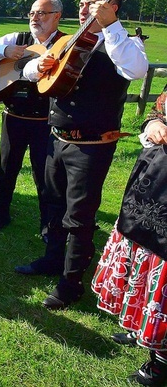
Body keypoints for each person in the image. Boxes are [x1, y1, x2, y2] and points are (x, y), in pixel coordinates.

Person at [16, 0, 148, 310]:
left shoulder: (124, 42)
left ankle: (71, 283)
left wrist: (112, 27)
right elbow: (32, 70)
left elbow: (135, 69)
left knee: (79, 215)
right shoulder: (67, 40)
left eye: (92, 4)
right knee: (52, 204)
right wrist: (38, 67)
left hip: (91, 147)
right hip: (56, 138)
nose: (84, 9)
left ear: (111, 7)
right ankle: (52, 259)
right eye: (82, 4)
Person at [91, 85, 167, 386]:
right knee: (141, 252)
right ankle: (142, 327)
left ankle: (161, 360)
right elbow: (156, 111)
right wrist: (154, 124)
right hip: (155, 178)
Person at [0, 0, 65, 232]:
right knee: (7, 169)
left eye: (42, 13)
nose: (35, 18)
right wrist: (5, 50)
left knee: (44, 175)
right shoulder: (18, 39)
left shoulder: (65, 44)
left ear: (56, 16)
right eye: (32, 13)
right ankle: (0, 214)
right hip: (13, 116)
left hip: (46, 121)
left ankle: (47, 226)